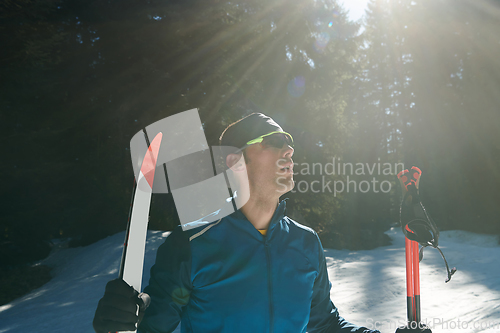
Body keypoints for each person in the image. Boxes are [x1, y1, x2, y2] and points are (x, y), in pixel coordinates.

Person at [93, 113, 389, 333]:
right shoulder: (192, 246)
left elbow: (324, 323)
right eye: (274, 142)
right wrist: (123, 316)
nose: (289, 151)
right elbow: (152, 324)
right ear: (235, 162)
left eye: (289, 143)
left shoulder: (306, 244)